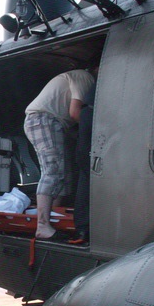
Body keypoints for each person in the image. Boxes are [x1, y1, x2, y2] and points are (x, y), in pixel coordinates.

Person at [24, 68, 96, 239]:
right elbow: (75, 112)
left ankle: (53, 217)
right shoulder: (85, 77)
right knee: (52, 170)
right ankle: (42, 225)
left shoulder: (78, 77)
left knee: (64, 174)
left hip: (53, 122)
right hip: (44, 119)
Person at [69, 66, 98, 245]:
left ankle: (82, 228)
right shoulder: (87, 83)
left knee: (84, 182)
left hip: (83, 146)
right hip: (87, 147)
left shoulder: (87, 108)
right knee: (88, 182)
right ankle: (84, 228)